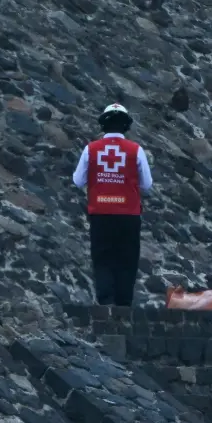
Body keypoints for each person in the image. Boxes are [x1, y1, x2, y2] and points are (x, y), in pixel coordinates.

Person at [72, 103, 153, 306]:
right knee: (127, 259)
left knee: (102, 258)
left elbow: (77, 181)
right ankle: (124, 304)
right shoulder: (136, 150)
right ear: (126, 126)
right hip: (129, 215)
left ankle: (105, 301)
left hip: (101, 213)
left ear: (103, 125)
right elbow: (147, 184)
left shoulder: (91, 149)